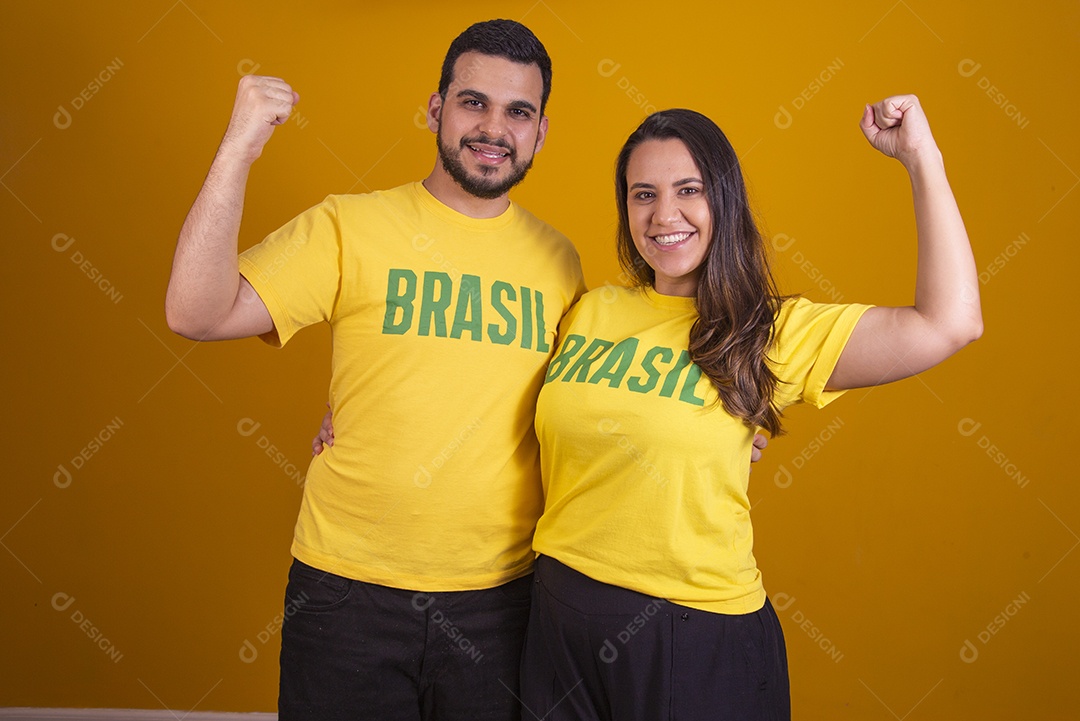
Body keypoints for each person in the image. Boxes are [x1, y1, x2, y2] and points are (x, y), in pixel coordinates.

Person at [165, 19, 587, 721]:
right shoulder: (348, 225)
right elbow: (195, 312)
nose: (493, 127)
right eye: (472, 102)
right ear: (435, 110)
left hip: (502, 600)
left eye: (518, 112)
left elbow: (584, 405)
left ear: (541, 132)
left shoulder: (560, 262)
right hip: (344, 595)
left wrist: (717, 425)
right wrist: (238, 149)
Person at [518, 100, 981, 720]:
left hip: (693, 635)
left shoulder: (769, 331)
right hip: (558, 615)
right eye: (642, 194)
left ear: (725, 201)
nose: (664, 215)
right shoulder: (590, 310)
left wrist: (923, 160)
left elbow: (949, 323)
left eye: (690, 190)